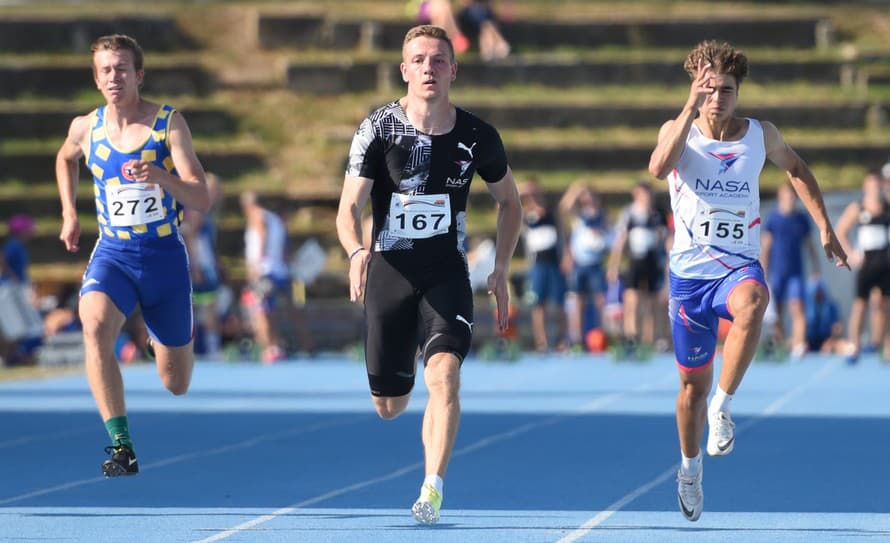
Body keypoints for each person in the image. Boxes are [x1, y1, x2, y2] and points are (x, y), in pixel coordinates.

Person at [647, 40, 849, 522]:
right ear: (696, 87)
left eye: (727, 90)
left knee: (755, 301)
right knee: (689, 391)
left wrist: (824, 226)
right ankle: (690, 468)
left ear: (740, 92)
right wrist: (688, 108)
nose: (718, 97)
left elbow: (798, 169)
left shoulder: (760, 134)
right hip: (689, 278)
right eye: (709, 88)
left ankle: (724, 404)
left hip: (737, 265)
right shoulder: (678, 131)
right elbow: (658, 168)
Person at [336, 25, 521, 525]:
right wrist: (356, 252)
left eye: (438, 60)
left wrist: (501, 268)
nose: (428, 69)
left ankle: (432, 488)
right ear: (404, 70)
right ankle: (406, 355)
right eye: (418, 60)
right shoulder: (377, 128)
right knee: (390, 406)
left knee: (444, 375)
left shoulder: (479, 135)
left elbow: (509, 203)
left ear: (453, 70)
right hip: (389, 273)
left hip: (446, 274)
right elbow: (348, 207)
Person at [54, 34, 210, 477]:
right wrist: (69, 213)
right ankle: (121, 444)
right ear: (96, 78)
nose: (113, 77)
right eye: (105, 70)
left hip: (163, 259)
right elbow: (65, 159)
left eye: (121, 69)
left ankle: (157, 340)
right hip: (114, 255)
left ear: (139, 75)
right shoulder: (86, 128)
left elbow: (200, 198)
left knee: (175, 383)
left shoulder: (168, 124)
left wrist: (162, 175)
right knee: (95, 324)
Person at [606, 181, 669, 354]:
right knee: (632, 300)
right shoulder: (629, 213)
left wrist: (668, 263)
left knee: (651, 302)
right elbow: (620, 241)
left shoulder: (658, 214)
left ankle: (650, 340)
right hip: (635, 261)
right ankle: (631, 338)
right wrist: (614, 266)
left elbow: (666, 240)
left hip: (652, 261)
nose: (647, 198)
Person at [834, 170, 890, 363]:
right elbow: (840, 230)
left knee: (884, 304)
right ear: (865, 187)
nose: (874, 190)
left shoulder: (886, 206)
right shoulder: (858, 207)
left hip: (884, 261)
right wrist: (851, 254)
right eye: (871, 186)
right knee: (860, 305)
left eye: (877, 186)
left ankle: (883, 346)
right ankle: (855, 346)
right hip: (866, 262)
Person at [760, 181, 820, 360]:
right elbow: (766, 246)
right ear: (780, 197)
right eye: (787, 195)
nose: (790, 199)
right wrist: (764, 271)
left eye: (793, 195)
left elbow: (810, 245)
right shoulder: (773, 220)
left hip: (796, 272)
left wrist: (816, 267)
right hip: (777, 272)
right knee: (776, 311)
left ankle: (799, 344)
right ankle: (781, 343)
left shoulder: (802, 219)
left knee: (798, 307)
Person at [240, 191, 292, 364]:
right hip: (278, 270)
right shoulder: (275, 219)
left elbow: (262, 233)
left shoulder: (257, 215)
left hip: (265, 270)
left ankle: (268, 348)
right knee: (271, 310)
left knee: (260, 309)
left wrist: (257, 264)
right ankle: (275, 345)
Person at [559, 182, 610, 350]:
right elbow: (563, 208)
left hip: (596, 262)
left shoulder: (603, 215)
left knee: (599, 300)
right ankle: (577, 339)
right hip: (579, 263)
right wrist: (576, 189)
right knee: (578, 300)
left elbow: (608, 233)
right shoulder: (578, 215)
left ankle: (601, 336)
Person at [519, 179, 567, 352]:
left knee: (559, 302)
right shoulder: (524, 213)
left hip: (554, 262)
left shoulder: (553, 212)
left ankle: (562, 339)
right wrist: (519, 191)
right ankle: (542, 342)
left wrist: (566, 255)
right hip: (537, 264)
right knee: (538, 305)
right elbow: (501, 208)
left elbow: (562, 234)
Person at [182, 173, 224, 359]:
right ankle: (195, 348)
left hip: (207, 265)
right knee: (201, 308)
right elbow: (190, 236)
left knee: (207, 308)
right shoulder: (198, 210)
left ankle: (208, 347)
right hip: (200, 266)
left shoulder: (206, 211)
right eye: (213, 190)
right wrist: (195, 266)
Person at [803, 277, 847, 355]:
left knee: (841, 345)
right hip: (809, 342)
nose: (818, 294)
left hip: (827, 341)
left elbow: (837, 328)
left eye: (820, 291)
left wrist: (831, 341)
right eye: (816, 291)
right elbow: (802, 329)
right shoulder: (803, 308)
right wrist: (803, 343)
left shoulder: (832, 306)